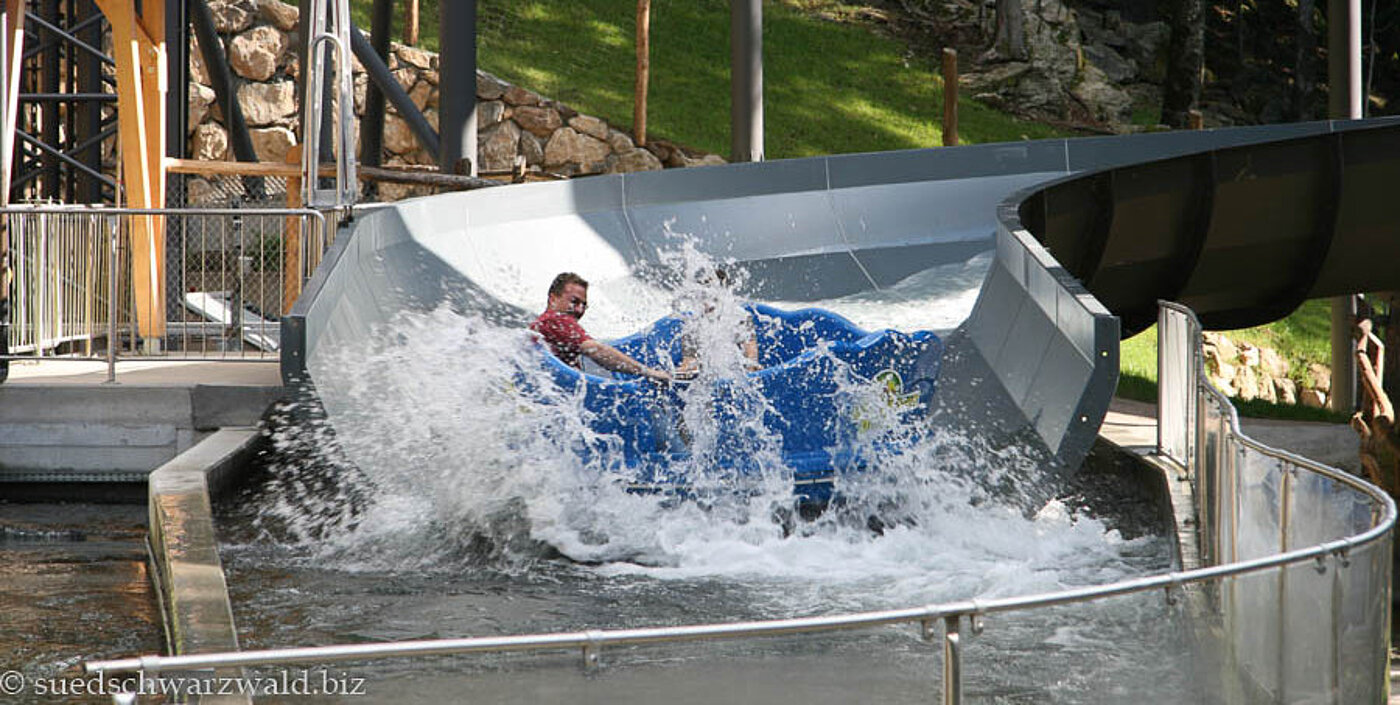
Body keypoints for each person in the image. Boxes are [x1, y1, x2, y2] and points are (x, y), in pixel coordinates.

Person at [530, 272, 672, 383]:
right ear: (553, 298)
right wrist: (649, 372)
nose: (580, 310)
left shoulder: (541, 324)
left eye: (584, 305)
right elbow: (596, 349)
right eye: (574, 302)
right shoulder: (557, 320)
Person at [674, 268, 760, 379]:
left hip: (736, 374)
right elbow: (689, 364)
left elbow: (751, 356)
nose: (706, 304)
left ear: (724, 295)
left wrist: (752, 368)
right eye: (702, 297)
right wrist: (681, 372)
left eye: (713, 298)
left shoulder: (740, 316)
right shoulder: (692, 325)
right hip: (705, 377)